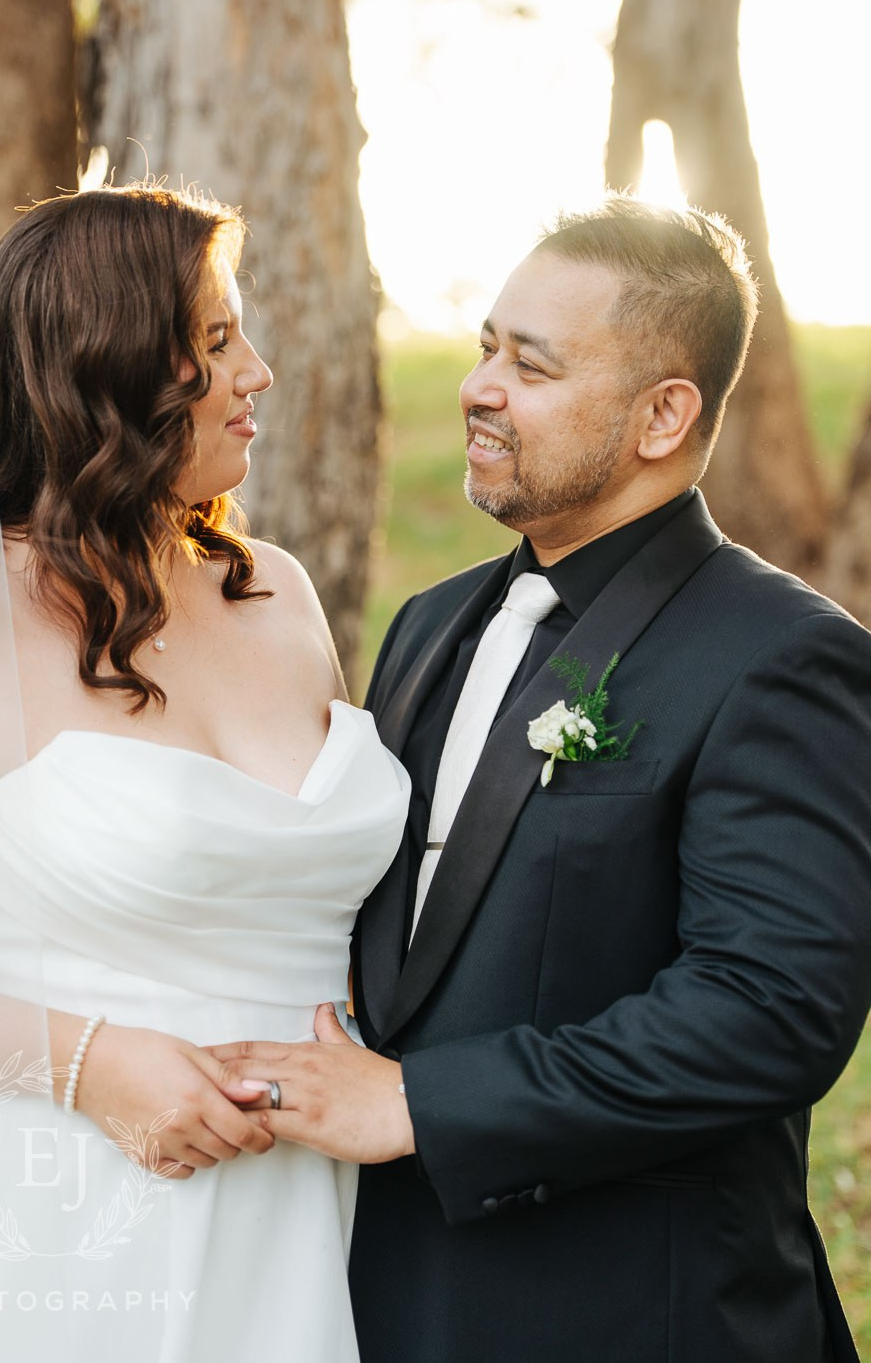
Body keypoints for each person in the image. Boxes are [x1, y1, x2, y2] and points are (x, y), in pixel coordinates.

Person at [213, 196, 871, 1362]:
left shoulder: (783, 657)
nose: (477, 386)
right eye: (483, 346)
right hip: (387, 1297)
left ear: (663, 414)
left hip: (635, 1317)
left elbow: (768, 1013)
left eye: (532, 364)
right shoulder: (430, 625)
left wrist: (418, 1104)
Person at [0, 183, 409, 1361]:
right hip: (60, 1218)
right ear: (108, 374)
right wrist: (88, 1067)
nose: (258, 372)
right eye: (215, 344)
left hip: (316, 1218)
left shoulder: (274, 591)